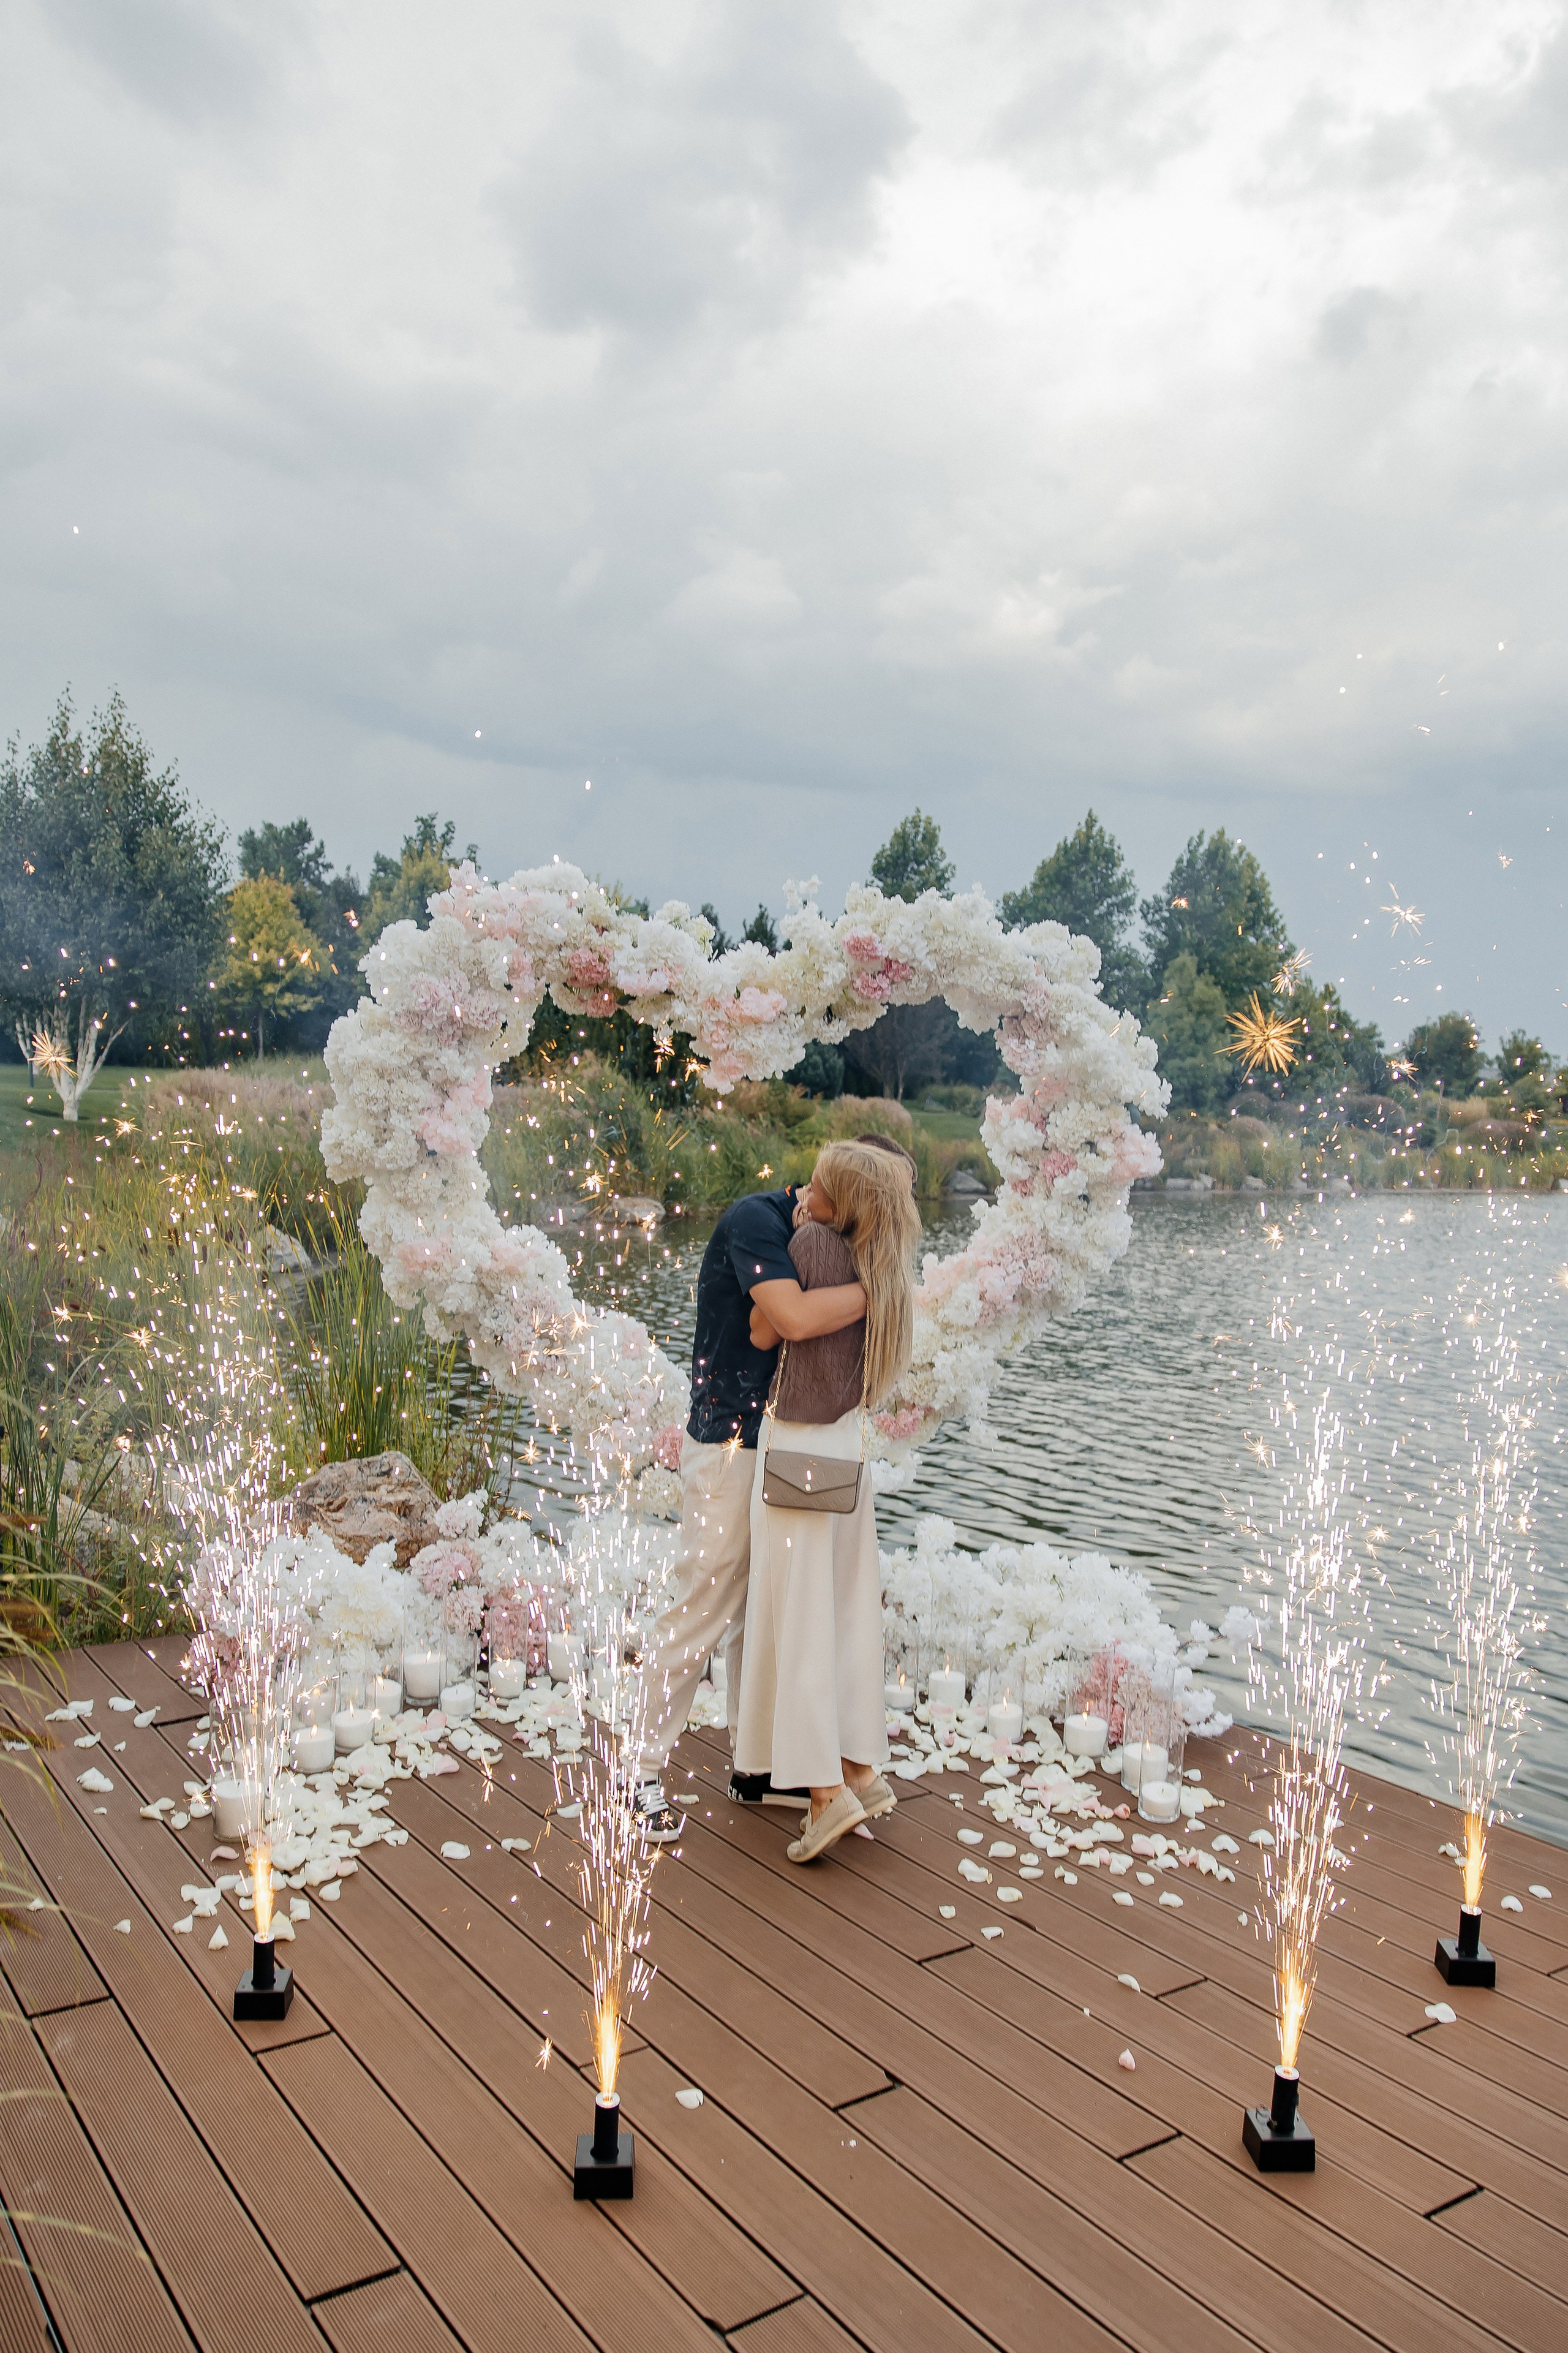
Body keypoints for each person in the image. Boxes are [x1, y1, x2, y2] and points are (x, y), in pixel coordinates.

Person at [633, 1171, 866, 1840]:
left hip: (782, 1444)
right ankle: (637, 1771)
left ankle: (755, 1768)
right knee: (704, 1599)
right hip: (727, 1442)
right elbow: (782, 1322)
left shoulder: (826, 1238)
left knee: (761, 1608)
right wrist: (879, 1290)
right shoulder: (755, 1220)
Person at [733, 1138, 922, 1862]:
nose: (802, 1193)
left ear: (841, 1205)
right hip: (846, 1449)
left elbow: (763, 1327)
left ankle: (820, 1792)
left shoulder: (810, 1244)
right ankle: (859, 1768)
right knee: (841, 1616)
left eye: (815, 1185)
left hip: (795, 1452)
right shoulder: (882, 1266)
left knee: (798, 1621)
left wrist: (784, 1257)